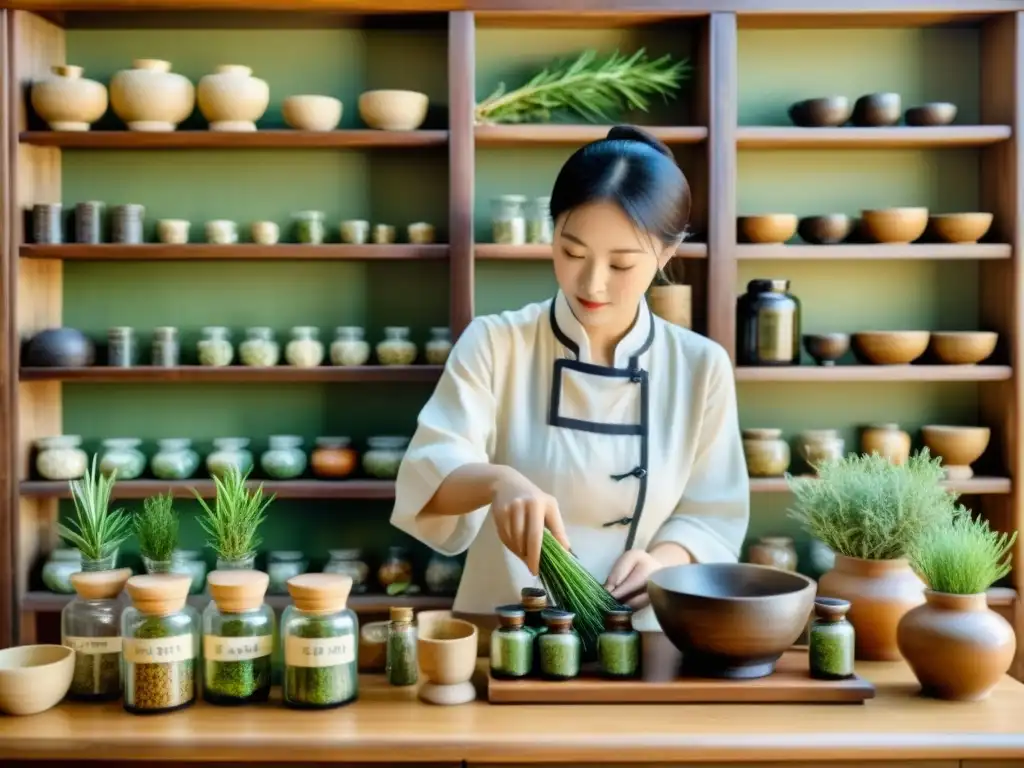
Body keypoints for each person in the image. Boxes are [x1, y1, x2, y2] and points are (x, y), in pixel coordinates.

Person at [390, 125, 749, 631]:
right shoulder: (496, 343)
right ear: (552, 231)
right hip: (509, 632)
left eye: (621, 263)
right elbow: (430, 472)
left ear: (667, 255)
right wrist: (499, 481)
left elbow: (712, 514)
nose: (592, 283)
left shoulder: (699, 367)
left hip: (642, 636)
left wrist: (663, 562)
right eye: (573, 252)